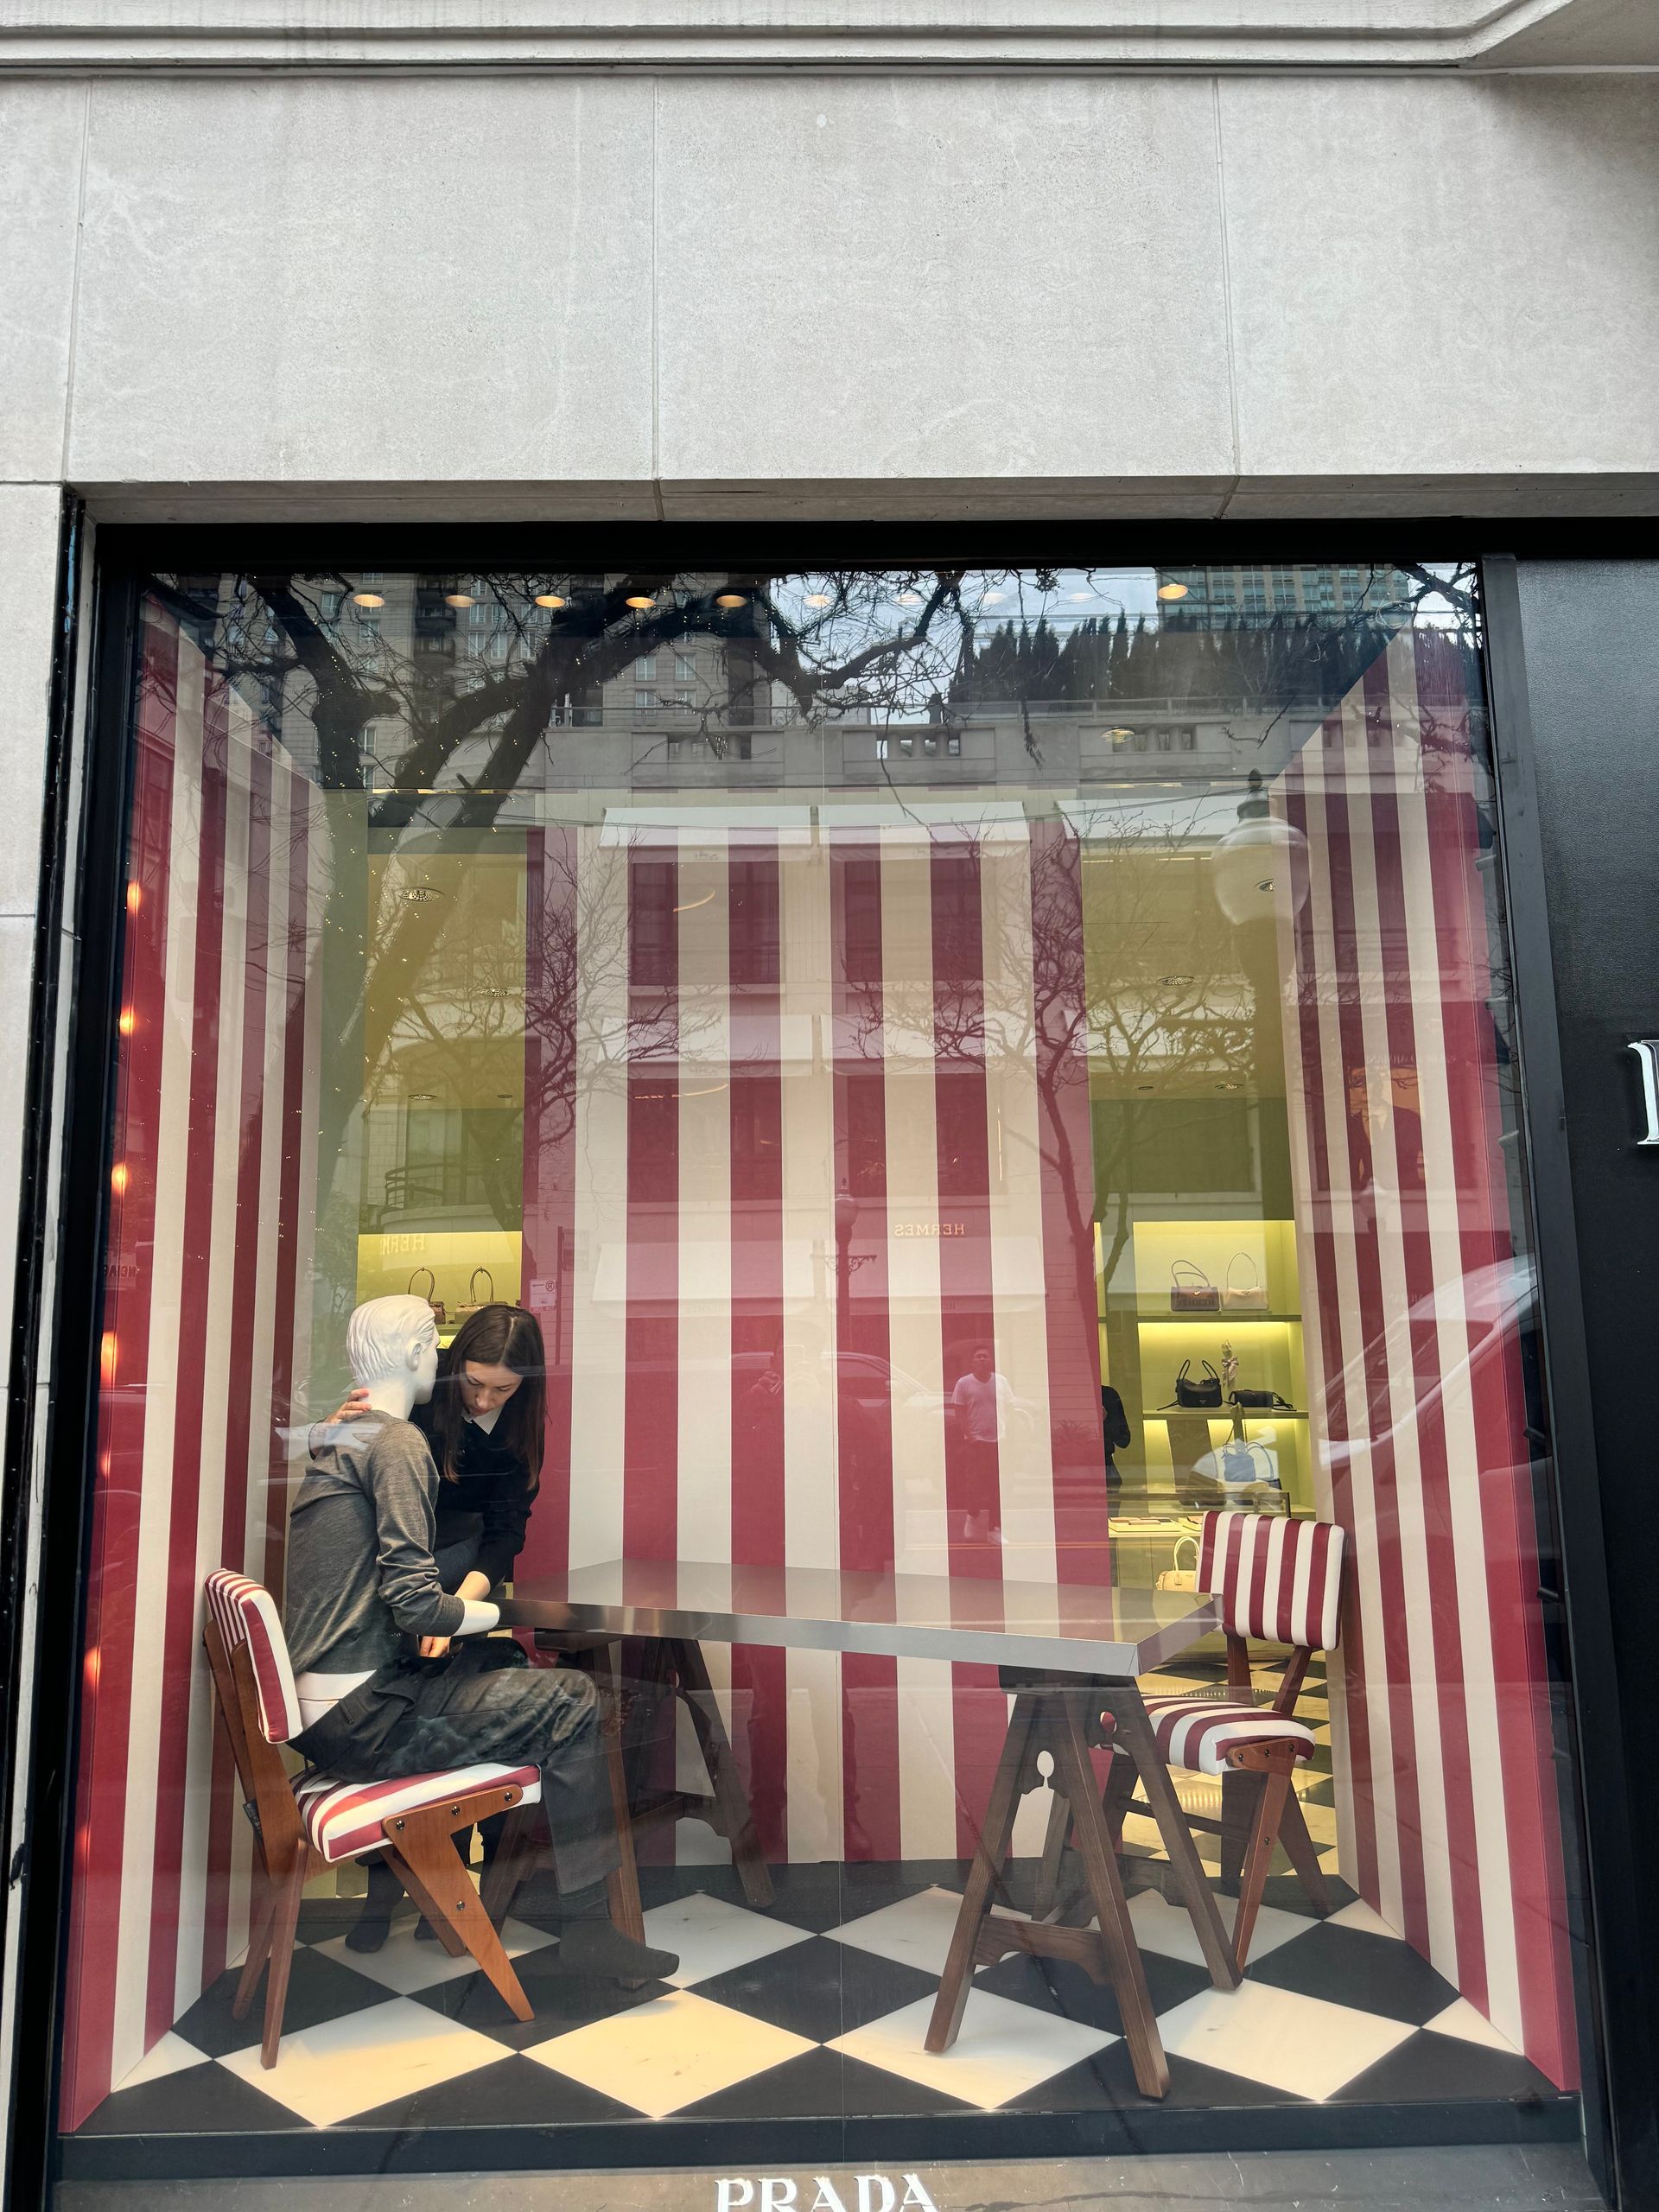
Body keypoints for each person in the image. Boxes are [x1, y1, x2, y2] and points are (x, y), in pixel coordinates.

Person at [289, 1294, 677, 1983]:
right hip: (396, 1607)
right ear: (440, 1362)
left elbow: (505, 1534)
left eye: (502, 1388)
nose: (483, 1396)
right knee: (549, 1700)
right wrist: (339, 1429)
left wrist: (465, 1606)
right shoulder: (407, 1421)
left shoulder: (513, 1427)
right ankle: (398, 1893)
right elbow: (369, 1473)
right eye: (472, 1382)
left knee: (507, 1674)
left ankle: (484, 1895)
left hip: (451, 1589)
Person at [1101, 1382, 1132, 1503]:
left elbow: (1124, 1440)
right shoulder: (1061, 1394)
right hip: (1068, 1469)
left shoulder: (1107, 1395)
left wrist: (1106, 1419)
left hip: (1105, 1466)